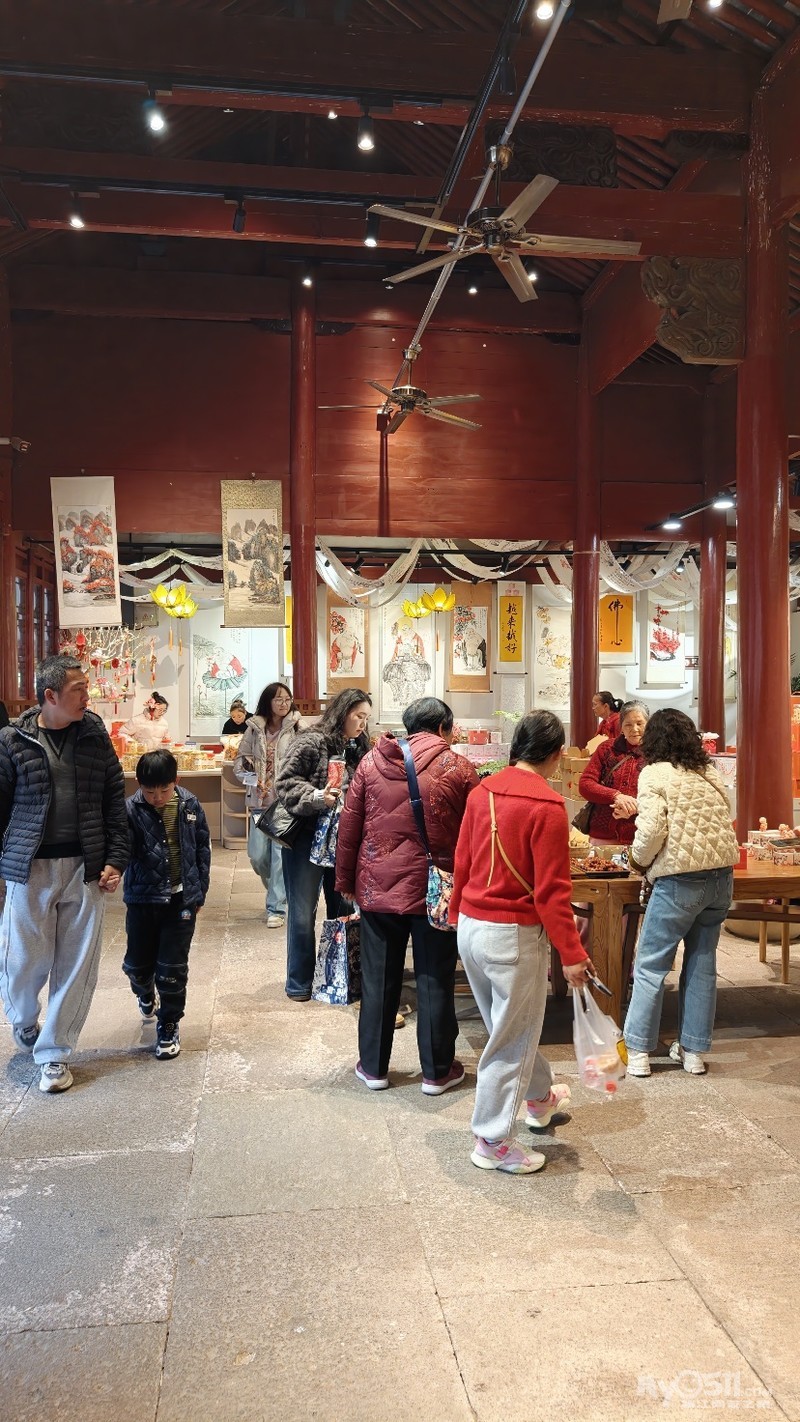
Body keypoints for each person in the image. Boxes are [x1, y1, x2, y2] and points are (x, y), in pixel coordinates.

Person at [450, 710, 594, 1175]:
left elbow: (463, 859)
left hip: (472, 925)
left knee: (507, 1028)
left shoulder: (482, 792)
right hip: (511, 936)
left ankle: (539, 1097)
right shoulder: (547, 805)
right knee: (511, 1040)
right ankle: (492, 1140)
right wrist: (572, 954)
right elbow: (552, 892)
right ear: (556, 755)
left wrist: (455, 914)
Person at [336, 696, 479, 1093]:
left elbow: (349, 827)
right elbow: (478, 829)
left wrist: (346, 882)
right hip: (437, 890)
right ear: (444, 728)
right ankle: (437, 1071)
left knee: (378, 979)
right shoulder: (458, 766)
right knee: (435, 978)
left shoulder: (371, 762)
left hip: (377, 888)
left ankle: (373, 1068)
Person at [0, 653, 129, 1094]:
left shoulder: (94, 734)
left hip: (85, 865)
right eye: (79, 689)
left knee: (76, 964)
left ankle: (54, 1053)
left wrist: (116, 858)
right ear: (50, 695)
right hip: (29, 867)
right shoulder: (12, 740)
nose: (87, 696)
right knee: (22, 960)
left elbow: (114, 800)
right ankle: (22, 1017)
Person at [623, 708, 738, 1078]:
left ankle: (639, 1051)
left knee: (651, 964)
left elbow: (652, 830)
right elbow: (726, 815)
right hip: (721, 878)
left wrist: (637, 860)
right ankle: (693, 1052)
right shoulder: (709, 771)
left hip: (679, 881)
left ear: (653, 740)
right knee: (703, 964)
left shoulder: (654, 773)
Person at [275, 688, 371, 1001]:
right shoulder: (311, 740)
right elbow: (285, 783)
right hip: (306, 837)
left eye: (366, 718)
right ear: (343, 712)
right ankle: (299, 983)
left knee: (342, 910)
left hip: (342, 840)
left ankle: (338, 980)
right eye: (358, 716)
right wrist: (317, 797)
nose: (362, 723)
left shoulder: (358, 746)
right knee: (302, 912)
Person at [122, 749, 211, 1060]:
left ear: (177, 780)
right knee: (137, 966)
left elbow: (202, 849)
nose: (157, 797)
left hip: (180, 900)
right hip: (142, 899)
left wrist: (199, 891)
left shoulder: (189, 804)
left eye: (164, 789)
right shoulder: (130, 809)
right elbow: (121, 849)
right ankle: (144, 991)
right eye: (150, 791)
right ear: (138, 784)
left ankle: (169, 1024)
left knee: (172, 969)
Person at [234, 682, 300, 926]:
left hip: (284, 804)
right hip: (259, 802)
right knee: (257, 857)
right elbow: (240, 763)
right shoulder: (253, 729)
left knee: (279, 857)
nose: (284, 704)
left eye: (287, 699)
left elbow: (306, 760)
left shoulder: (297, 727)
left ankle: (276, 908)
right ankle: (278, 889)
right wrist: (253, 780)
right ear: (268, 702)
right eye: (278, 699)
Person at [578, 700, 649, 849]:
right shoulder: (606, 748)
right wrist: (616, 796)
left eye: (639, 723)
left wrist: (635, 807)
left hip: (641, 837)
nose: (634, 729)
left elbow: (665, 796)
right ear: (621, 727)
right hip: (603, 835)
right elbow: (585, 784)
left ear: (648, 725)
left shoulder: (656, 753)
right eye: (628, 725)